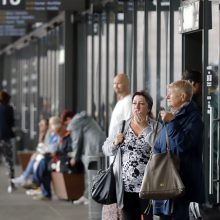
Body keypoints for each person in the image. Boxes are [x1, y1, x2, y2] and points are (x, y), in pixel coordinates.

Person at [102, 91, 162, 220]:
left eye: (141, 104)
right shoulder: (122, 126)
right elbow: (106, 149)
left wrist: (146, 129)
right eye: (134, 103)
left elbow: (160, 149)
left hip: (149, 186)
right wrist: (115, 142)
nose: (137, 107)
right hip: (126, 186)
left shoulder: (157, 127)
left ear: (149, 108)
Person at [152, 80, 205, 220]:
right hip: (166, 183)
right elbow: (159, 145)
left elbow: (183, 145)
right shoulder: (172, 115)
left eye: (170, 94)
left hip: (183, 185)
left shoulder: (194, 118)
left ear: (182, 97)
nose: (167, 97)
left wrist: (172, 122)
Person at [103, 73, 132, 220]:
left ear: (127, 84)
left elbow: (128, 126)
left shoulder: (128, 103)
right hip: (114, 151)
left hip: (120, 156)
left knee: (119, 194)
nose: (116, 86)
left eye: (119, 83)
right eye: (114, 83)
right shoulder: (121, 102)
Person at [67, 111, 106, 205]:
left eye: (65, 123)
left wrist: (75, 157)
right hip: (99, 145)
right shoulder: (86, 119)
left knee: (91, 174)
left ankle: (91, 197)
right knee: (96, 173)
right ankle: (88, 195)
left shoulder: (75, 121)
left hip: (93, 149)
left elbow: (76, 140)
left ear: (68, 119)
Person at [0, 90, 16, 193]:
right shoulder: (9, 109)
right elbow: (11, 123)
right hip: (6, 137)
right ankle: (11, 184)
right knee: (9, 161)